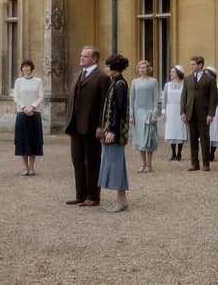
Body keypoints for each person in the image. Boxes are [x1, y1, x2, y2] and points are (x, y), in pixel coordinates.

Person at [64, 45, 112, 206]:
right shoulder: (76, 75)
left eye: (85, 56)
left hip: (92, 126)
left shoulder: (102, 77)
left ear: (94, 59)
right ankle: (80, 194)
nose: (81, 58)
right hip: (75, 125)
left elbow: (104, 105)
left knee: (92, 161)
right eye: (81, 55)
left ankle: (93, 195)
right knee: (77, 160)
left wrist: (101, 126)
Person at [97, 53, 131, 212]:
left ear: (114, 68)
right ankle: (122, 199)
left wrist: (112, 130)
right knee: (117, 163)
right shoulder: (116, 82)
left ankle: (120, 201)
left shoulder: (119, 85)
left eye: (107, 66)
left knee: (116, 164)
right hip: (113, 130)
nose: (105, 69)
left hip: (115, 131)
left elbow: (118, 110)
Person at [180, 55, 218, 170]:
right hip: (191, 112)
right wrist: (183, 112)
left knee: (205, 139)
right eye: (191, 64)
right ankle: (194, 163)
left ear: (200, 65)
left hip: (203, 113)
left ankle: (206, 163)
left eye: (193, 64)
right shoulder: (188, 79)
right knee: (193, 139)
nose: (191, 66)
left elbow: (213, 98)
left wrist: (211, 114)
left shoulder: (209, 79)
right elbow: (184, 96)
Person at [13, 58, 44, 176]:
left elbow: (41, 96)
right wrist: (24, 108)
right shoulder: (18, 81)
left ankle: (32, 167)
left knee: (34, 140)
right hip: (22, 114)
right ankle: (25, 167)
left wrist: (32, 107)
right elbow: (15, 97)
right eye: (23, 67)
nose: (25, 68)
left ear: (31, 68)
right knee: (23, 141)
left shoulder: (38, 81)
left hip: (34, 114)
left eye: (27, 66)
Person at [130, 59, 161, 174]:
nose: (142, 70)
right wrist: (131, 115)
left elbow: (156, 99)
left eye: (143, 68)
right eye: (140, 68)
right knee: (139, 139)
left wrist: (154, 113)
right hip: (137, 112)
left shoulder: (153, 81)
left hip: (148, 112)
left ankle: (149, 164)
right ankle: (142, 164)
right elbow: (132, 99)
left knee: (148, 137)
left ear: (148, 69)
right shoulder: (134, 82)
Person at [161, 65, 187, 162]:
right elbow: (164, 99)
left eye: (173, 72)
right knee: (171, 130)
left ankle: (179, 152)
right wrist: (163, 112)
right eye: (171, 71)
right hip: (170, 109)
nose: (171, 73)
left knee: (180, 130)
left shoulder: (184, 85)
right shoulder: (167, 85)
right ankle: (173, 153)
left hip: (180, 109)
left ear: (178, 73)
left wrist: (184, 112)